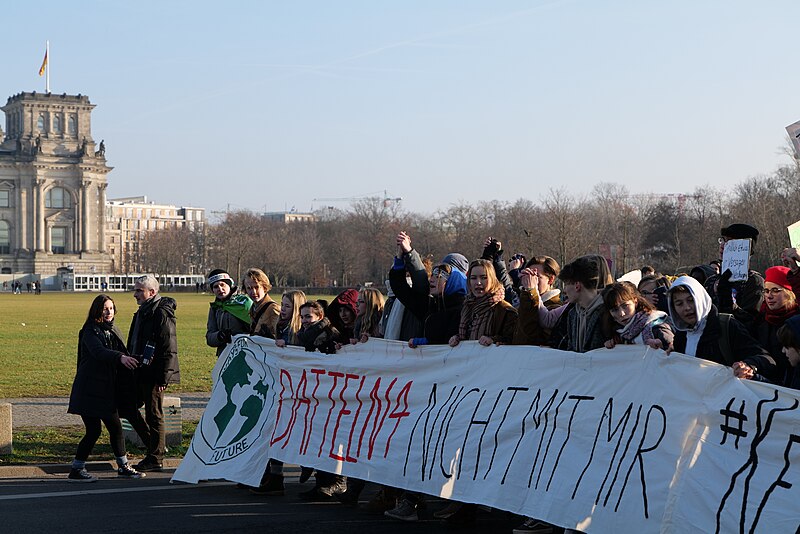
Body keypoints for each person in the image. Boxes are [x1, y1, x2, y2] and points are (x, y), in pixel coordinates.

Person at [66, 295, 144, 482]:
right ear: (96, 311)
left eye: (111, 308)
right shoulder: (89, 331)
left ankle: (123, 466)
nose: (108, 312)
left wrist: (137, 358)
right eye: (104, 309)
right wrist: (121, 358)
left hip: (106, 390)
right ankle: (76, 469)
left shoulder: (112, 330)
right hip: (89, 389)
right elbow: (99, 352)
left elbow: (120, 353)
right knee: (93, 431)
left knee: (116, 428)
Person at [666, 276, 775, 379]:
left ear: (701, 298)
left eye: (691, 300)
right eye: (679, 304)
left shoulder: (726, 326)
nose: (687, 308)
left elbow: (766, 360)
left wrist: (749, 366)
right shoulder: (681, 336)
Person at [127, 274, 180, 472]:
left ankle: (156, 456)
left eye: (139, 290)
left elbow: (169, 347)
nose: (135, 294)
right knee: (128, 407)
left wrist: (163, 377)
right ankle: (154, 446)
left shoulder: (161, 313)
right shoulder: (142, 312)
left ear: (152, 292)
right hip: (139, 370)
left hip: (154, 373)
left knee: (154, 414)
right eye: (136, 290)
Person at [449, 259, 518, 347]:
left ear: (492, 280)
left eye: (484, 278)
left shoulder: (505, 311)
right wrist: (457, 338)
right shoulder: (467, 307)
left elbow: (512, 341)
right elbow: (468, 335)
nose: (478, 282)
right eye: (473, 278)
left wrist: (493, 340)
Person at [602, 282, 673, 350]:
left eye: (625, 306)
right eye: (615, 310)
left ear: (635, 302)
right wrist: (611, 347)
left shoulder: (657, 325)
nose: (622, 313)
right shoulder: (617, 333)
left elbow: (675, 351)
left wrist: (664, 345)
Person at [205, 268, 252, 357]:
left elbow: (256, 330)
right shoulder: (215, 308)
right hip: (224, 356)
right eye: (215, 287)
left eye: (222, 285)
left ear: (229, 285)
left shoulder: (244, 302)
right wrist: (219, 336)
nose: (220, 289)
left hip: (246, 354)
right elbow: (209, 337)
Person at [243, 268, 280, 339]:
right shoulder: (253, 308)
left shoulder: (273, 308)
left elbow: (280, 336)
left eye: (257, 287)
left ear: (264, 287)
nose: (253, 292)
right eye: (249, 288)